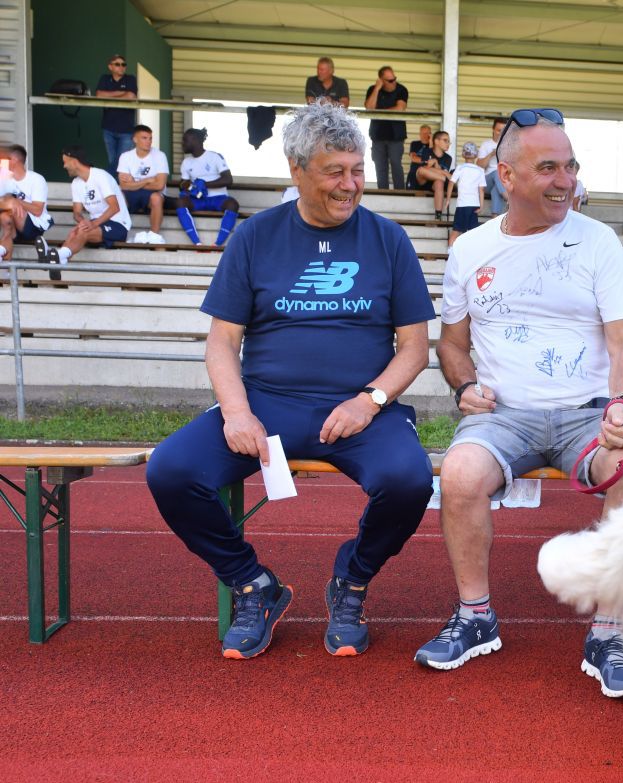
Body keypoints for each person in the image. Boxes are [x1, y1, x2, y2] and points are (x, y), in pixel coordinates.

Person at [145, 102, 436, 660]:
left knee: (408, 481)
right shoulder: (256, 237)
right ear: (296, 170)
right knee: (172, 470)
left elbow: (415, 349)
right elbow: (223, 343)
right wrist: (236, 411)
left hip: (358, 410)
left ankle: (351, 581)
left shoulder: (389, 240)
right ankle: (253, 585)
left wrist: (370, 400)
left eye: (357, 170)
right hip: (266, 403)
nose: (350, 185)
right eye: (335, 172)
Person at [417, 108, 623, 700]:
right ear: (506, 176)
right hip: (504, 417)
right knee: (461, 472)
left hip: (587, 413)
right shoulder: (470, 248)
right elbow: (451, 343)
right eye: (547, 167)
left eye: (570, 166)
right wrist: (464, 385)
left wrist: (621, 406)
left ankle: (609, 632)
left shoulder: (599, 242)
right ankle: (476, 617)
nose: (565, 180)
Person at [34, 145, 130, 279]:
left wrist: (93, 224)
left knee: (83, 230)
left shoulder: (100, 176)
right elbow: (77, 213)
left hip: (118, 224)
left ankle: (56, 255)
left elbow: (115, 207)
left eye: (65, 162)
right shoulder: (76, 183)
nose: (64, 166)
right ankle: (59, 261)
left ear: (74, 161)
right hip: (97, 224)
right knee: (76, 230)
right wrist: (82, 221)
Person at [177, 128, 240, 246]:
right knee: (181, 202)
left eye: (185, 140)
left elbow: (228, 179)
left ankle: (218, 243)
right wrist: (191, 186)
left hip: (218, 198)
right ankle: (197, 243)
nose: (182, 144)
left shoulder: (214, 157)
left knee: (233, 204)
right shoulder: (186, 162)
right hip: (198, 199)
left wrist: (205, 184)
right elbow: (182, 185)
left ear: (194, 140)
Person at [116, 124, 168, 242]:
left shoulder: (160, 156)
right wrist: (148, 180)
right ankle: (119, 235)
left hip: (151, 194)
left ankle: (154, 236)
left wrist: (134, 182)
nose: (148, 141)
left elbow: (160, 185)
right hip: (132, 194)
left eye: (150, 138)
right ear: (135, 139)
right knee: (118, 196)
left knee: (156, 198)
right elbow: (124, 185)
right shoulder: (125, 156)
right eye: (144, 138)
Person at [0, 145, 52, 261]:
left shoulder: (36, 179)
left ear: (14, 160)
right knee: (4, 219)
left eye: (5, 159)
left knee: (11, 209)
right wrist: (10, 202)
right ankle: (6, 274)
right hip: (13, 228)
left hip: (33, 227)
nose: (1, 162)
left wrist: (16, 202)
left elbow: (38, 210)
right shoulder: (5, 179)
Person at [364, 65, 408, 190]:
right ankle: (382, 191)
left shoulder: (401, 89)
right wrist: (377, 89)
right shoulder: (373, 89)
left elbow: (400, 108)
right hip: (377, 135)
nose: (393, 82)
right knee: (380, 165)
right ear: (381, 80)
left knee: (395, 163)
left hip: (396, 136)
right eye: (389, 80)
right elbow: (369, 107)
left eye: (394, 78)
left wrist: (379, 112)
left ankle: (400, 192)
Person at [95, 53, 137, 175]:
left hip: (126, 129)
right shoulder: (104, 78)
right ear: (110, 67)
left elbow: (131, 96)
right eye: (117, 64)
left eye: (123, 64)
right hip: (108, 128)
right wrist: (120, 93)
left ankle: (105, 178)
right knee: (113, 161)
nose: (121, 67)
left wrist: (109, 94)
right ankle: (116, 188)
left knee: (120, 162)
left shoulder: (130, 79)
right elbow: (99, 95)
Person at [446, 140, 485, 247]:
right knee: (472, 232)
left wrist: (448, 199)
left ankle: (450, 252)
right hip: (474, 205)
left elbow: (451, 183)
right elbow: (481, 190)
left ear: (463, 154)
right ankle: (470, 254)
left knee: (456, 230)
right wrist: (482, 206)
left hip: (462, 205)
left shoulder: (460, 168)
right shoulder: (480, 170)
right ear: (476, 155)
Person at [412, 129, 454, 219]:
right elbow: (426, 169)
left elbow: (433, 170)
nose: (448, 143)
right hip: (424, 181)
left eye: (449, 141)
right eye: (445, 140)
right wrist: (443, 173)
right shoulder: (427, 151)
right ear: (436, 141)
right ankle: (445, 179)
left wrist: (436, 163)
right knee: (420, 170)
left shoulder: (448, 158)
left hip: (436, 183)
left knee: (439, 182)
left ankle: (438, 215)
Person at [475, 117, 507, 216]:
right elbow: (480, 166)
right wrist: (491, 154)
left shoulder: (508, 145)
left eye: (503, 130)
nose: (501, 133)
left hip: (501, 183)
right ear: (493, 129)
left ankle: (494, 217)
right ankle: (510, 200)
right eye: (498, 130)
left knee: (496, 190)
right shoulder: (486, 144)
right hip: (486, 182)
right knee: (497, 173)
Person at [406, 124, 432, 190]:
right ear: (419, 134)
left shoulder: (433, 145)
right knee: (410, 194)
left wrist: (431, 142)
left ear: (430, 134)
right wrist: (426, 160)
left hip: (426, 175)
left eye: (426, 133)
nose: (424, 135)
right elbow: (413, 158)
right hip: (413, 173)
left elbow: (433, 157)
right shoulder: (414, 144)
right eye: (422, 133)